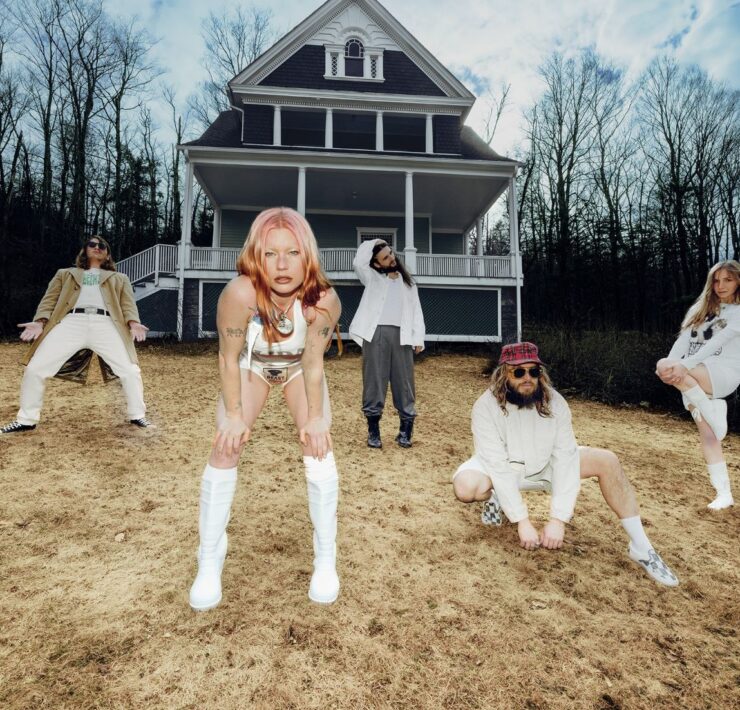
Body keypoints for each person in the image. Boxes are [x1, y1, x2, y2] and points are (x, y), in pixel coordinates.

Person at [189, 207, 342, 611]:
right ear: (256, 255)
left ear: (307, 254)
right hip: (251, 366)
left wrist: (315, 419)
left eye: (292, 252)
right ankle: (209, 556)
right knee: (225, 445)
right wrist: (234, 415)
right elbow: (228, 358)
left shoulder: (323, 300)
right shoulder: (239, 294)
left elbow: (313, 362)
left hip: (297, 369)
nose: (282, 265)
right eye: (271, 253)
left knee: (318, 445)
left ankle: (325, 557)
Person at [452, 342, 679, 587]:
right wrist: (522, 521)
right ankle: (496, 498)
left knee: (607, 460)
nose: (527, 378)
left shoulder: (555, 402)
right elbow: (497, 464)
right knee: (466, 487)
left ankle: (642, 547)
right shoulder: (484, 406)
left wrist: (558, 519)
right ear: (502, 374)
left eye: (533, 371)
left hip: (546, 466)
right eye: (518, 372)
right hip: (504, 469)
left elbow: (565, 457)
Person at [0, 236, 151, 435]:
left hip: (106, 323)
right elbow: (49, 300)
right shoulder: (65, 274)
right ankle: (26, 419)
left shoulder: (119, 278)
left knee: (130, 370)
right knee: (35, 368)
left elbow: (128, 304)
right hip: (70, 321)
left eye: (102, 246)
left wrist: (134, 323)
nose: (97, 247)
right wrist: (40, 321)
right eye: (92, 244)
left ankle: (137, 415)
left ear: (107, 254)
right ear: (84, 250)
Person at [656, 261, 740, 510]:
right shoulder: (700, 309)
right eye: (716, 280)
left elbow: (716, 344)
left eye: (728, 280)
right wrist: (670, 366)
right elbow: (683, 342)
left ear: (738, 282)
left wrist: (684, 366)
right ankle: (724, 494)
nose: (721, 285)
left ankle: (711, 412)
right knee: (710, 436)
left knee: (679, 374)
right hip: (692, 375)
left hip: (723, 371)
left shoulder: (738, 312)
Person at [349, 239, 425, 449]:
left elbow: (416, 310)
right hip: (376, 335)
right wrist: (377, 242)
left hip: (403, 336)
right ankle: (373, 431)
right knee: (374, 381)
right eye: (385, 257)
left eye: (390, 253)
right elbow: (358, 261)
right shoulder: (372, 278)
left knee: (404, 383)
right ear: (376, 263)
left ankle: (405, 431)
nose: (391, 258)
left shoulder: (408, 283)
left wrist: (418, 337)